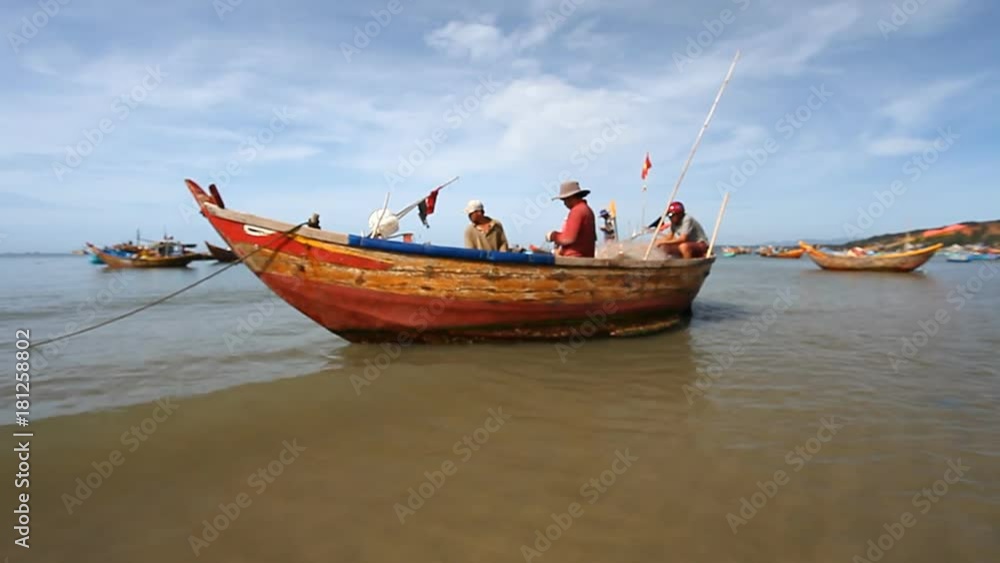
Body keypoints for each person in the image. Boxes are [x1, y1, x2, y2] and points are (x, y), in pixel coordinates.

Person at [546, 181, 597, 258]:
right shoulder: (587, 210)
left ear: (571, 197)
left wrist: (553, 236)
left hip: (575, 258)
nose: (564, 203)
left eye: (565, 200)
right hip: (586, 257)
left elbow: (567, 239)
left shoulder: (577, 211)